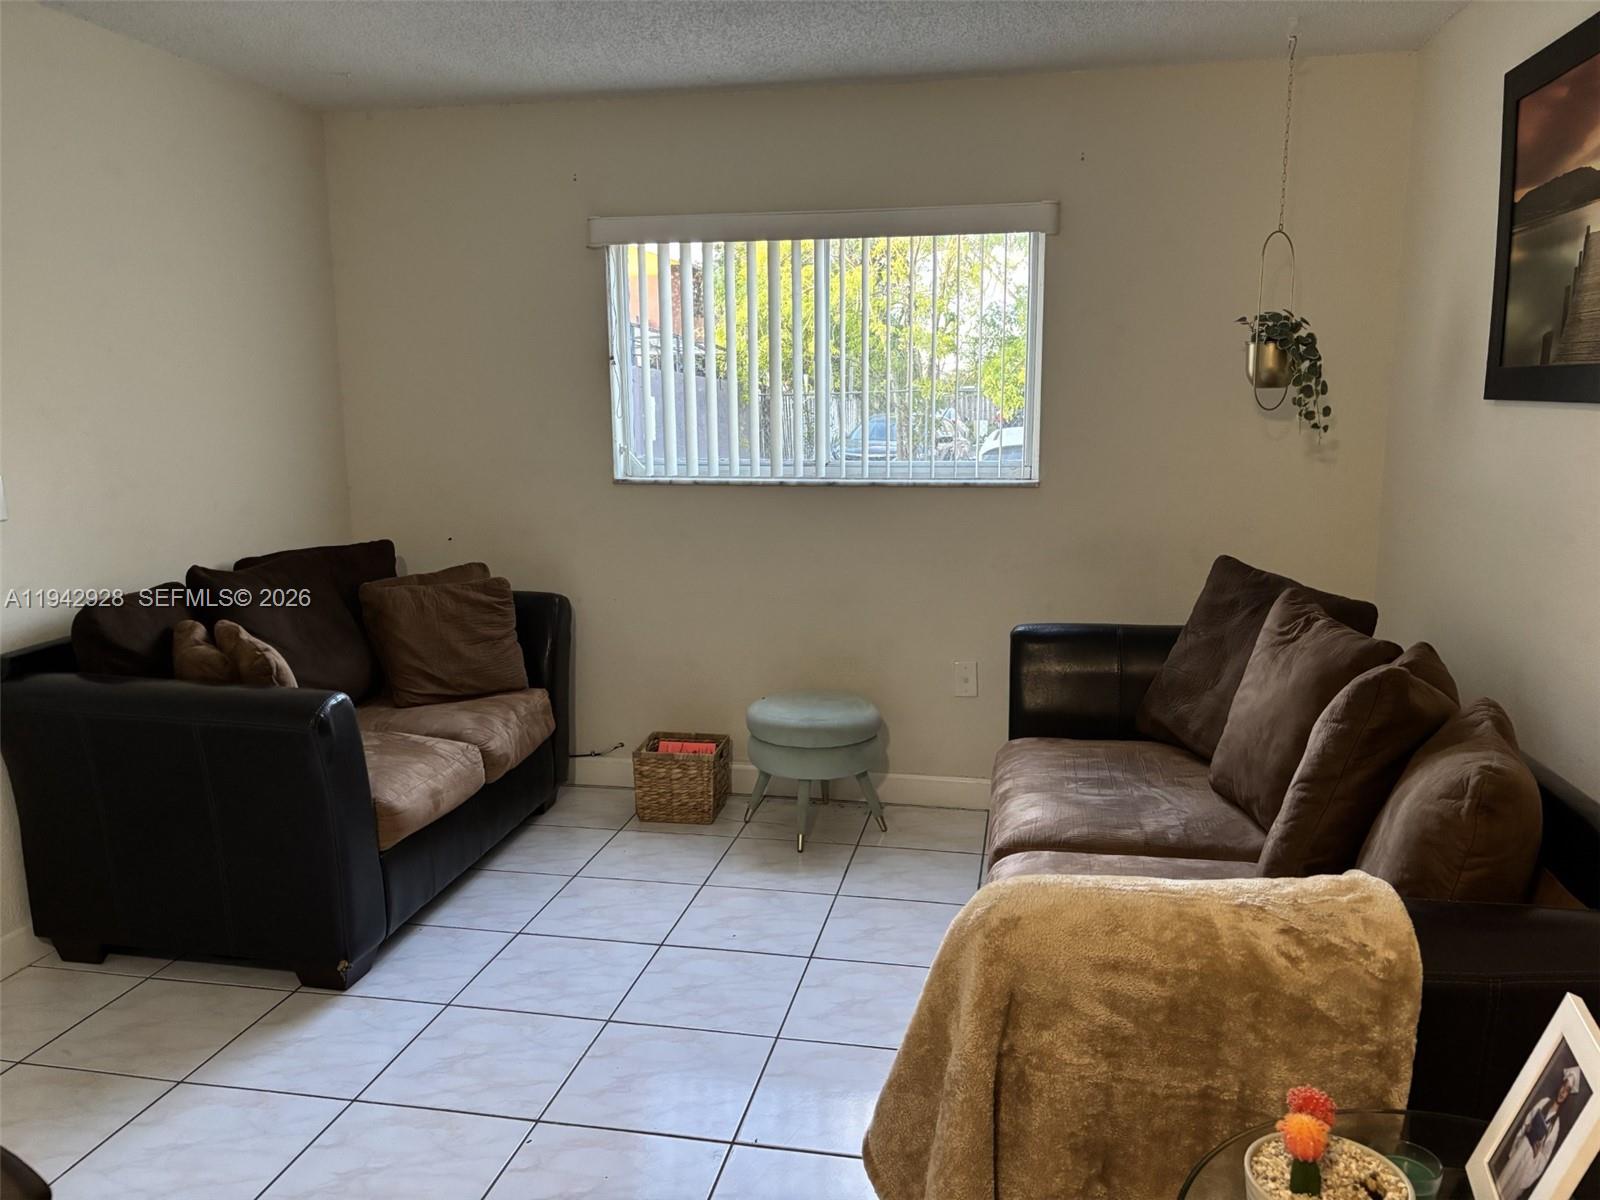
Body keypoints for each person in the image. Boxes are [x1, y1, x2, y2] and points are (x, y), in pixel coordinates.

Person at [1497, 1067, 1584, 1200]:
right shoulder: (1543, 1102)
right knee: (1502, 1182)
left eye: (1567, 1091)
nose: (1562, 1092)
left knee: (1509, 1193)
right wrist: (1527, 1127)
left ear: (1568, 1096)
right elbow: (1526, 1122)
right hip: (1521, 1149)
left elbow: (1546, 1155)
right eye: (1563, 1087)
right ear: (1560, 1086)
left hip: (1529, 1162)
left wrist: (1538, 1153)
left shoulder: (1556, 1124)